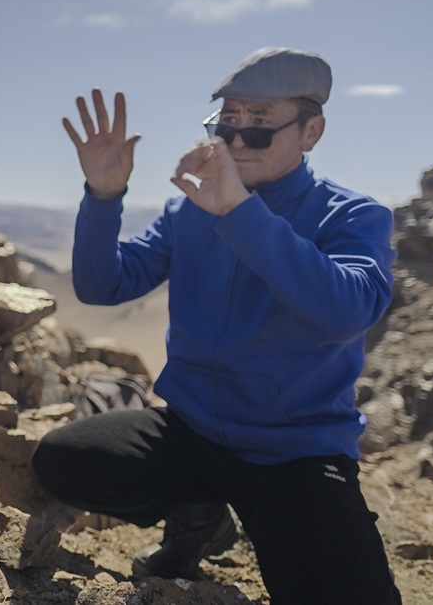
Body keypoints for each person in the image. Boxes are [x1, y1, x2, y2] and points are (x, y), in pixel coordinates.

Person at [32, 47, 402, 604]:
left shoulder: (351, 215)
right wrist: (104, 196)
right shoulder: (191, 209)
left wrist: (240, 212)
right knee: (64, 462)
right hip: (194, 432)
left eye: (258, 126)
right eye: (227, 123)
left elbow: (347, 311)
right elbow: (103, 286)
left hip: (292, 451)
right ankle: (201, 515)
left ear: (311, 132)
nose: (236, 141)